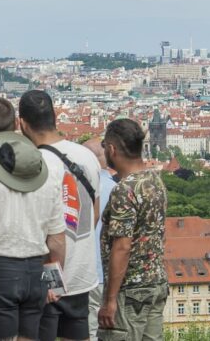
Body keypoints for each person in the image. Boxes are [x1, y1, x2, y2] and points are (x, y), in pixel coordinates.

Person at [0, 97, 66, 341]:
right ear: (16, 124)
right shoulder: (47, 164)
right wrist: (55, 284)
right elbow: (57, 238)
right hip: (36, 271)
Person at [18, 90, 101, 341]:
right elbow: (94, 212)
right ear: (55, 116)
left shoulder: (34, 163)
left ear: (22, 123)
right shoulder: (87, 155)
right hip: (81, 274)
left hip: (45, 278)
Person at [98, 119, 168, 341]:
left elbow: (122, 247)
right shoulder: (155, 181)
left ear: (112, 149)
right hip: (156, 283)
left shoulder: (124, 190)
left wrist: (110, 300)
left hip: (129, 291)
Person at [82, 137, 118, 341]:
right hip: (111, 273)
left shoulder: (75, 189)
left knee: (88, 332)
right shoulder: (116, 189)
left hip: (86, 273)